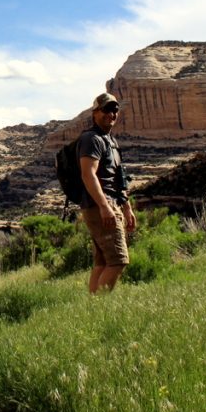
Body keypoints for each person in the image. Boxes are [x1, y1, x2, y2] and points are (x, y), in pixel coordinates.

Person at [78, 92, 136, 293]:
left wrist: (127, 208)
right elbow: (88, 174)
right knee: (118, 261)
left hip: (111, 205)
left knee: (102, 262)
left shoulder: (111, 141)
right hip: (101, 206)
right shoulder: (91, 139)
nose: (111, 114)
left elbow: (118, 179)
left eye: (114, 110)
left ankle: (92, 309)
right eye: (106, 109)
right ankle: (99, 307)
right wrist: (104, 207)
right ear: (95, 113)